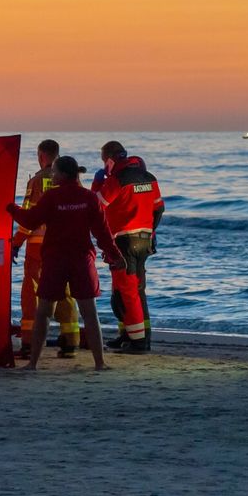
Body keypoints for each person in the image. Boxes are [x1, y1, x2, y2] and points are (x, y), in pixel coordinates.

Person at [5, 156, 125, 371]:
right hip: (82, 260)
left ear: (63, 174)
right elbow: (103, 234)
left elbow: (30, 220)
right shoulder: (89, 198)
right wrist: (116, 256)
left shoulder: (52, 197)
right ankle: (100, 363)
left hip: (55, 260)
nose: (52, 175)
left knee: (43, 312)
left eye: (55, 172)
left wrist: (11, 208)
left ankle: (32, 364)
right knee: (90, 312)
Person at [10, 139, 81, 358]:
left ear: (41, 156)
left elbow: (29, 216)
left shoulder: (37, 181)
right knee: (65, 291)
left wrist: (16, 242)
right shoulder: (73, 181)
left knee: (32, 292)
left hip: (38, 246)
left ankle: (30, 343)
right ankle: (70, 341)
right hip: (66, 244)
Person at [92, 140, 163, 353]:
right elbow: (159, 209)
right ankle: (131, 334)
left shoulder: (117, 180)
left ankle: (138, 342)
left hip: (124, 241)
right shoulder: (149, 178)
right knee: (134, 290)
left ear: (110, 160)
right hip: (144, 239)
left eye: (105, 162)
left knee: (127, 291)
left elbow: (96, 206)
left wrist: (97, 184)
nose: (105, 166)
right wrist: (151, 232)